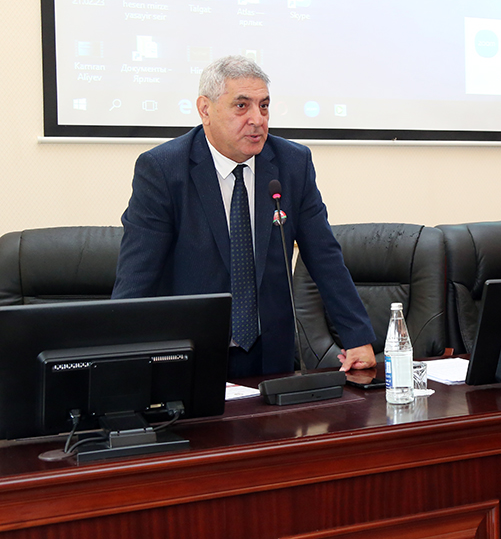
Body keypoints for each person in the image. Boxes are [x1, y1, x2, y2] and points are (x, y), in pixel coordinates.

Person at [112, 55, 376, 378]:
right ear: (205, 109)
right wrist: (118, 361)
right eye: (242, 106)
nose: (257, 119)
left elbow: (324, 256)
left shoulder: (292, 164)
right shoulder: (164, 170)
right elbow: (137, 276)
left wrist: (357, 336)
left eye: (264, 106)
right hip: (192, 357)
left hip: (271, 356)